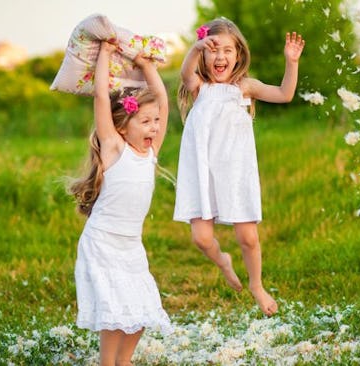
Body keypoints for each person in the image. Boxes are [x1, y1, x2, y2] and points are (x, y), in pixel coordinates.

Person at [173, 18, 305, 316]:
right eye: (213, 50)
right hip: (203, 173)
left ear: (239, 54)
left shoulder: (245, 87)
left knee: (248, 237)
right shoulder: (200, 88)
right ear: (204, 55)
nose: (220, 57)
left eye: (228, 50)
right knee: (201, 238)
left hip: (235, 173)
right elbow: (184, 74)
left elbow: (285, 94)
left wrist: (291, 62)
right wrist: (194, 49)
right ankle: (223, 261)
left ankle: (257, 285)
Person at [68, 40, 171, 366]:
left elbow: (163, 102)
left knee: (140, 311)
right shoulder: (115, 148)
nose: (154, 127)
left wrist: (146, 65)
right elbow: (101, 97)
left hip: (130, 247)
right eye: (146, 122)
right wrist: (107, 56)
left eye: (155, 121)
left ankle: (123, 361)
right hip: (102, 243)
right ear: (123, 127)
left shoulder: (150, 153)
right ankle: (108, 363)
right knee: (114, 314)